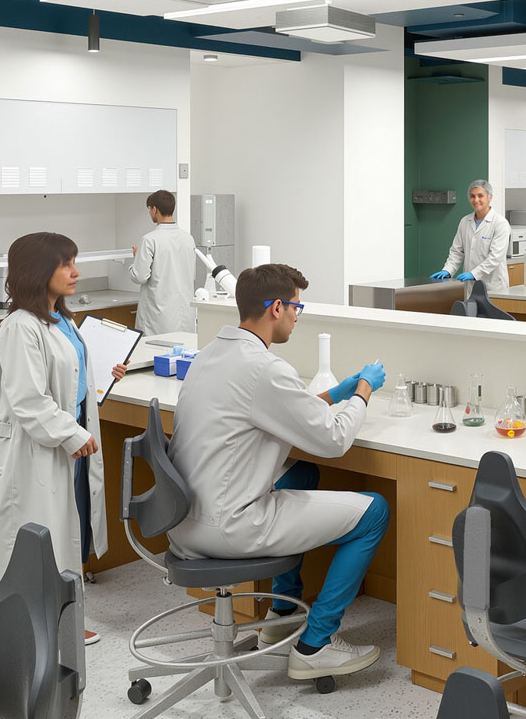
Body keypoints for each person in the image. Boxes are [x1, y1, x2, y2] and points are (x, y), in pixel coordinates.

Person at [167, 264, 390, 680]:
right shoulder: (266, 368)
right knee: (374, 511)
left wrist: (336, 393)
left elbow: (277, 409)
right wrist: (364, 391)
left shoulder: (212, 354)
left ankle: (283, 613)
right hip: (229, 525)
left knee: (301, 474)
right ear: (275, 308)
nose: (296, 316)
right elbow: (335, 441)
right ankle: (315, 644)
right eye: (295, 307)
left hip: (185, 518)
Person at [0, 232, 126, 643]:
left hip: (63, 446)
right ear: (39, 271)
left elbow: (65, 377)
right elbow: (28, 400)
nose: (75, 272)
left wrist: (100, 373)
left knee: (61, 540)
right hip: (31, 453)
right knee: (0, 550)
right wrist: (69, 433)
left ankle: (62, 625)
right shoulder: (21, 327)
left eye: (74, 262)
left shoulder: (62, 319)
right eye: (65, 264)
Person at [128, 189, 197, 335]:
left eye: (149, 209)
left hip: (158, 317)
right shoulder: (188, 238)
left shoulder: (150, 240)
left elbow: (140, 276)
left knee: (154, 354)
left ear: (154, 209)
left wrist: (136, 258)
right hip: (185, 313)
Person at [431, 180, 510, 292]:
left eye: (480, 196)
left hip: (493, 286)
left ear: (490, 197)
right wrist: (448, 270)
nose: (476, 200)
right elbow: (456, 252)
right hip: (470, 286)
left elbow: (495, 258)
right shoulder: (465, 221)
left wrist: (474, 274)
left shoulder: (500, 223)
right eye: (472, 196)